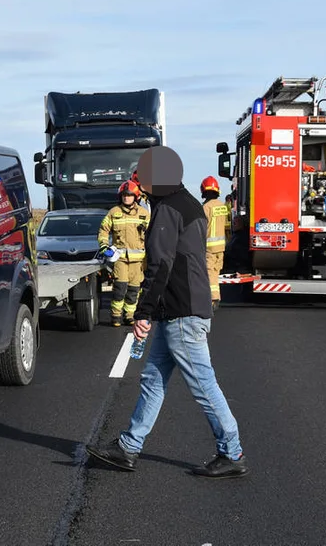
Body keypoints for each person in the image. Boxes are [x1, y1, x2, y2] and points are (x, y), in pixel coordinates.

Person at [88, 146, 248, 479]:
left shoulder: (167, 210)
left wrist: (143, 312)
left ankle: (232, 452)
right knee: (153, 379)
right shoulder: (188, 204)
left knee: (204, 385)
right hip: (180, 309)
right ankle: (128, 448)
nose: (139, 183)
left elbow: (161, 265)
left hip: (181, 312)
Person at [97, 180, 150, 327]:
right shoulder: (114, 212)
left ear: (136, 197)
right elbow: (103, 231)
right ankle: (115, 315)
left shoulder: (144, 214)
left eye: (129, 195)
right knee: (120, 288)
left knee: (134, 290)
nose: (126, 198)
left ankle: (129, 315)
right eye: (124, 195)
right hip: (120, 259)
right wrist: (103, 246)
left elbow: (152, 235)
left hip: (138, 261)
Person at [200, 176, 230, 310]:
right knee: (216, 272)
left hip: (209, 248)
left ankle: (213, 299)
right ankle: (215, 295)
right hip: (221, 246)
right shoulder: (222, 206)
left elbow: (200, 227)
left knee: (209, 272)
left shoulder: (205, 207)